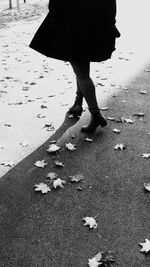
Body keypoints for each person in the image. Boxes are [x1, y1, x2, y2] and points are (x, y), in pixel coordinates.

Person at [29, 0, 120, 133]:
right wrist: (111, 23)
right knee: (81, 68)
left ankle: (96, 115)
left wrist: (54, 21)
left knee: (82, 74)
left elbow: (56, 4)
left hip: (73, 26)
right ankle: (78, 103)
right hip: (94, 26)